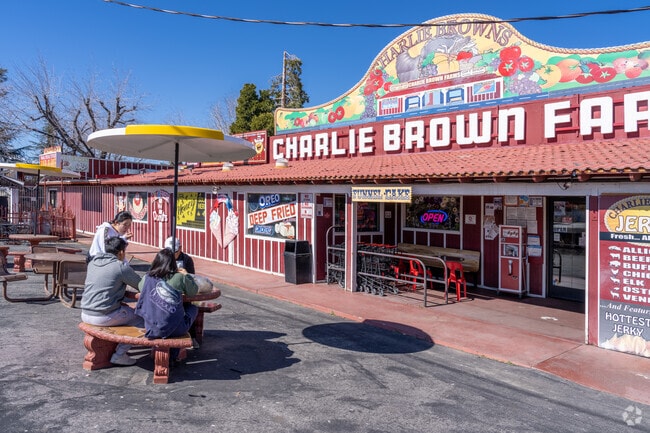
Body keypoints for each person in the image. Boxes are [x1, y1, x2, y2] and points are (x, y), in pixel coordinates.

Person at [80, 236, 143, 366]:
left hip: (85, 313)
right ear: (121, 252)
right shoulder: (120, 266)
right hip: (103, 316)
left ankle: (115, 348)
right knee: (142, 319)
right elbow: (141, 286)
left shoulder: (92, 263)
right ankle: (119, 354)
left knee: (126, 310)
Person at [135, 248, 199, 354]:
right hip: (176, 328)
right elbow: (193, 291)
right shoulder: (178, 277)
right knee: (193, 308)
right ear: (173, 263)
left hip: (151, 327)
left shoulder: (148, 277)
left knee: (169, 317)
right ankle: (177, 353)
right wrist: (187, 275)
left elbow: (140, 287)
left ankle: (173, 355)